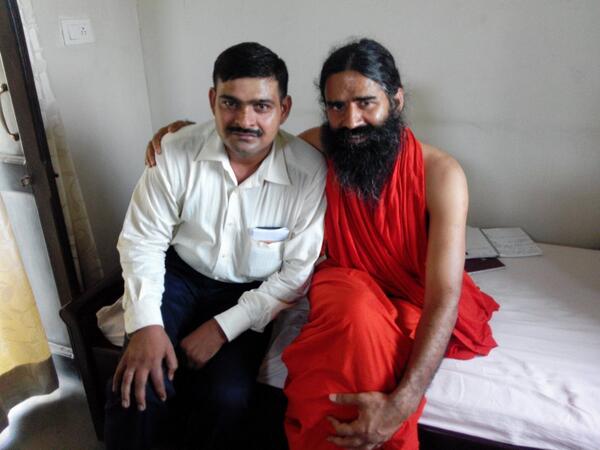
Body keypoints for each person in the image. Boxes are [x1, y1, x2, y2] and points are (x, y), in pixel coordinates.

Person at [147, 38, 498, 450]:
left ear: (396, 100)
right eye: (336, 106)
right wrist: (186, 132)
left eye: (366, 102)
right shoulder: (316, 145)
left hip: (414, 296)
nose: (351, 121)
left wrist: (403, 402)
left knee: (367, 340)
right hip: (344, 276)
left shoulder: (442, 174)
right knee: (351, 311)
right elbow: (254, 140)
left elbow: (444, 297)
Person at [105, 42, 326, 450]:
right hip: (180, 274)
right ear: (212, 100)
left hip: (251, 291)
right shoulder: (174, 151)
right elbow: (143, 239)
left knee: (228, 397)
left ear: (284, 109)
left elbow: (296, 274)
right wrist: (146, 325)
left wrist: (223, 328)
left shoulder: (308, 173)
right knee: (139, 377)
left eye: (261, 106)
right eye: (230, 103)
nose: (245, 120)